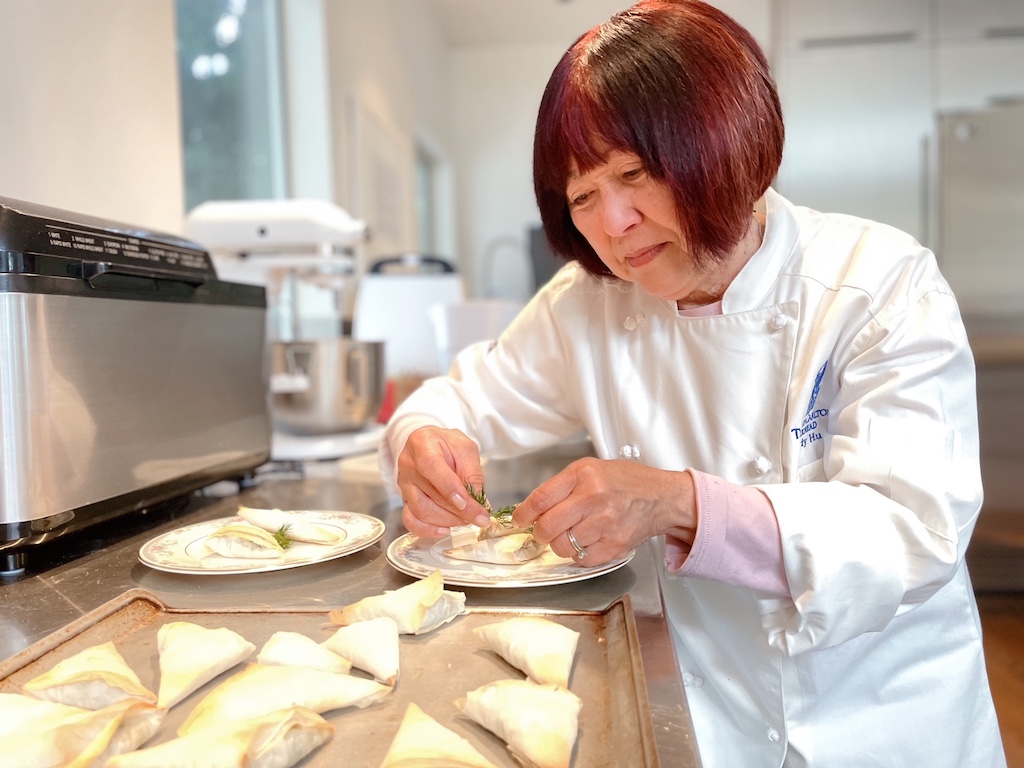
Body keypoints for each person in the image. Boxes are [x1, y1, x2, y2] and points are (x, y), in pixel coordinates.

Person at [381, 1, 1007, 765]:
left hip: (888, 720)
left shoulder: (875, 283)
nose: (612, 224)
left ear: (730, 142)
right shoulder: (588, 308)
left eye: (634, 174)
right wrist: (424, 441)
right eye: (581, 197)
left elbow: (912, 531)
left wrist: (677, 503)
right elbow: (458, 399)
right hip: (715, 717)